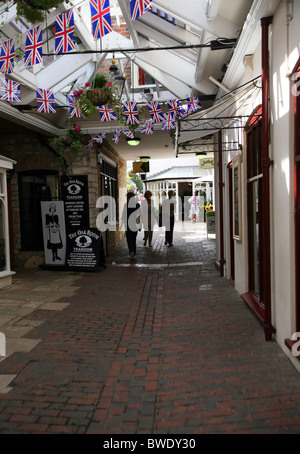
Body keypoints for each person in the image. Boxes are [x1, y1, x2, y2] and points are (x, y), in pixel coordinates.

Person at [121, 191, 141, 260]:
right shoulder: (137, 205)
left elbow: (124, 215)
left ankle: (131, 251)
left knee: (129, 238)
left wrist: (121, 224)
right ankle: (133, 252)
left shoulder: (126, 205)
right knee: (133, 238)